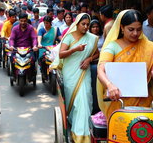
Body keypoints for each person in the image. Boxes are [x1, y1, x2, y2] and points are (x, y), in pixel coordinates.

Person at [97, 10, 153, 121]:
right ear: (122, 28)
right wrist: (109, 85)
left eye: (139, 29)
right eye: (131, 29)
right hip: (118, 101)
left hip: (144, 103)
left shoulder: (148, 46)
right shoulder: (113, 47)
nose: (135, 33)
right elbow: (101, 69)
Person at [57, 13, 99, 143]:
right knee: (73, 102)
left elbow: (98, 53)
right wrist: (75, 49)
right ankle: (74, 122)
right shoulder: (69, 37)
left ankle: (82, 135)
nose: (86, 27)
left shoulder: (92, 38)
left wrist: (89, 59)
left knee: (84, 100)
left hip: (83, 73)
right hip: (70, 73)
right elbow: (61, 54)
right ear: (77, 24)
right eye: (83, 24)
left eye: (88, 24)